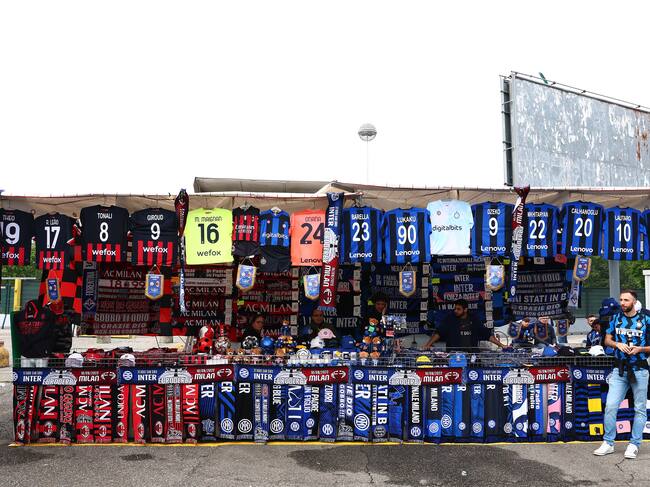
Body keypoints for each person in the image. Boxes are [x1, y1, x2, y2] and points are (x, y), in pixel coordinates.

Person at [593, 290, 650, 460]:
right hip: (619, 369)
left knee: (639, 408)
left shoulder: (646, 319)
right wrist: (616, 344)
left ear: (634, 302)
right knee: (610, 406)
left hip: (639, 369)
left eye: (626, 300)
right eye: (621, 300)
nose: (623, 302)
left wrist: (641, 349)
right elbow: (607, 340)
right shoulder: (616, 318)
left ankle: (634, 444)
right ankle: (608, 442)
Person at [422, 299, 506, 352]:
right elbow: (438, 333)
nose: (455, 311)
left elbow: (487, 335)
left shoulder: (474, 319)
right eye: (455, 308)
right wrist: (428, 345)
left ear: (465, 310)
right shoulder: (449, 319)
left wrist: (501, 345)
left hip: (471, 356)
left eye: (458, 309)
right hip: (453, 355)